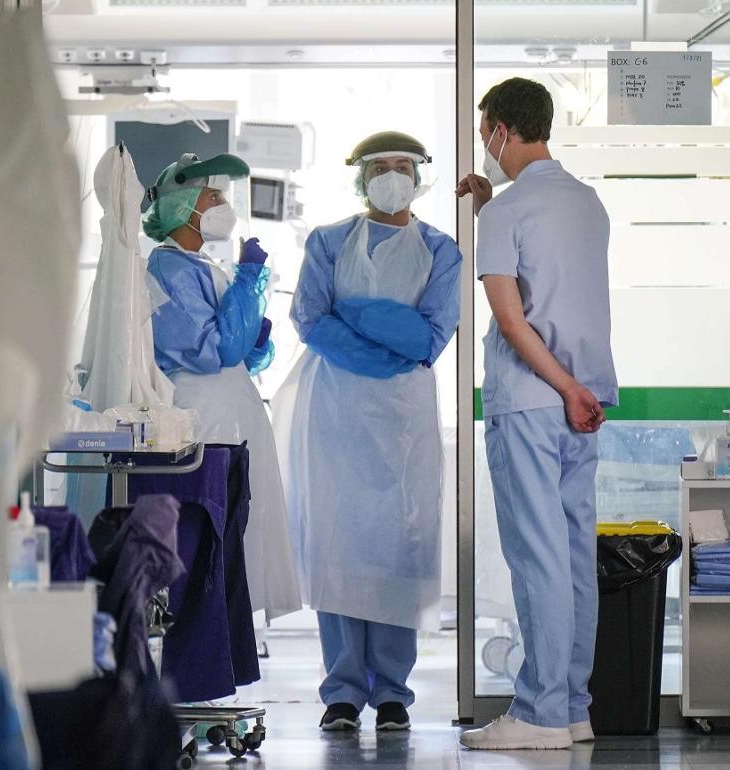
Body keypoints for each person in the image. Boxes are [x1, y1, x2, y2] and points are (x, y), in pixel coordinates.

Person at [271, 131, 462, 733]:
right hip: (337, 419)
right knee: (340, 549)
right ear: (361, 178)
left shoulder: (442, 250)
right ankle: (343, 692)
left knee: (399, 551)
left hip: (403, 423)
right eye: (381, 167)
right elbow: (307, 318)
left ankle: (392, 693)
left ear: (419, 175)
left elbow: (429, 338)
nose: (392, 175)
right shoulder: (328, 242)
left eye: (403, 165)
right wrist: (388, 340)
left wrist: (354, 312)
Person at [456, 79, 619, 750]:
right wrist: (579, 392)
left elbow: (512, 319)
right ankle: (573, 706)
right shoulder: (588, 205)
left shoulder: (504, 216)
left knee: (539, 557)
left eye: (484, 129)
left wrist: (559, 386)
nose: (484, 142)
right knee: (575, 554)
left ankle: (541, 712)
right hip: (587, 402)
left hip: (531, 401)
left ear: (499, 130)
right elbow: (558, 282)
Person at [141, 153, 302, 629]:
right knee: (206, 550)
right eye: (212, 196)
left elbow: (244, 356)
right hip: (203, 425)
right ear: (183, 204)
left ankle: (218, 667)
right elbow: (215, 351)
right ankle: (194, 668)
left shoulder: (201, 265)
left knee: (233, 548)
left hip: (231, 420)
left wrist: (257, 334)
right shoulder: (168, 270)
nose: (222, 205)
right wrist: (249, 282)